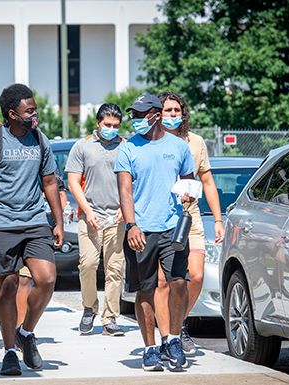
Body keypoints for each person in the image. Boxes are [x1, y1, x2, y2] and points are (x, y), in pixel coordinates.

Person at [0, 83, 64, 376]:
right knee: (9, 284)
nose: (34, 114)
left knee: (47, 279)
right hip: (2, 224)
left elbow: (49, 182)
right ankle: (10, 352)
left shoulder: (39, 139)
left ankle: (27, 331)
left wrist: (58, 221)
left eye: (34, 109)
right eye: (29, 111)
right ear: (12, 114)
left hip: (36, 221)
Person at [114, 94, 196, 371]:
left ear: (156, 115)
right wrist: (131, 225)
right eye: (133, 115)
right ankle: (150, 349)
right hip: (141, 231)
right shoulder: (128, 149)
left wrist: (189, 194)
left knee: (179, 283)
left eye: (141, 114)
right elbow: (124, 191)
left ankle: (173, 339)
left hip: (173, 228)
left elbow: (189, 179)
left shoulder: (178, 146)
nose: (136, 120)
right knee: (145, 290)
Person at [155, 91, 224, 356]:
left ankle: (179, 323)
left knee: (196, 275)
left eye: (176, 110)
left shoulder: (195, 142)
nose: (172, 114)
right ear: (157, 114)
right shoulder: (152, 141)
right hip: (161, 218)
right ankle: (166, 336)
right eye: (167, 110)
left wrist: (217, 220)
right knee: (164, 281)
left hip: (190, 217)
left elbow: (207, 181)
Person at [65, 103, 126, 336]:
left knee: (114, 268)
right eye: (107, 125)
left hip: (117, 217)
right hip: (89, 216)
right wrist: (88, 211)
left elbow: (132, 182)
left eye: (116, 126)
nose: (111, 129)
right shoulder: (82, 146)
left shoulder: (125, 147)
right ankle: (89, 307)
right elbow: (73, 181)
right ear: (98, 123)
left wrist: (124, 208)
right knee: (88, 264)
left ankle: (110, 319)